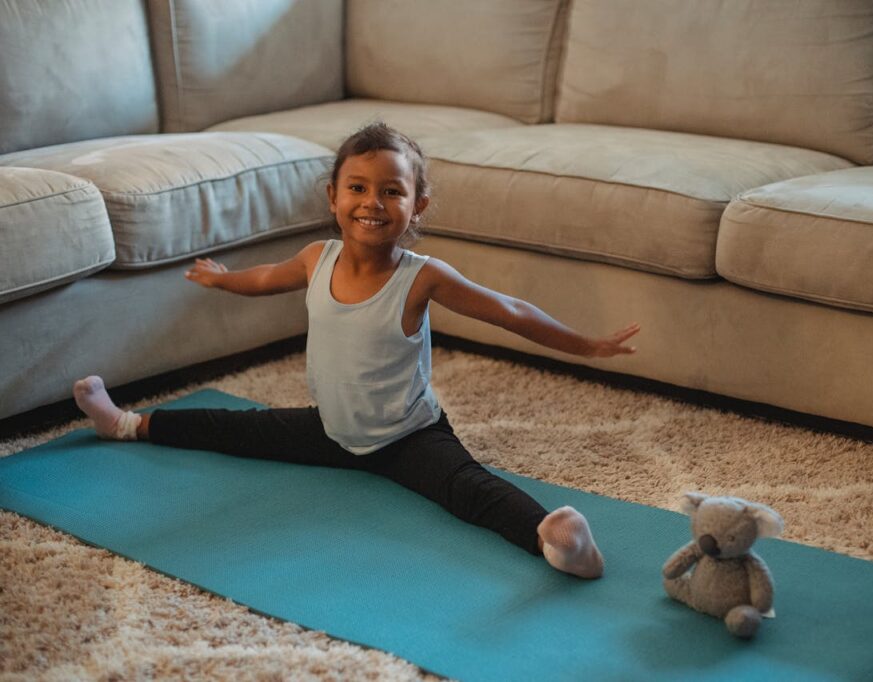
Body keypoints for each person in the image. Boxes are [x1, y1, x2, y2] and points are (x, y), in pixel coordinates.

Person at [73, 122, 640, 579]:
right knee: (234, 427)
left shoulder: (423, 277)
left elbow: (511, 311)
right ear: (334, 196)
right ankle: (125, 425)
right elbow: (269, 277)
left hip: (407, 436)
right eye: (359, 188)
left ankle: (559, 543)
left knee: (469, 490)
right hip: (331, 428)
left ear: (417, 205)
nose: (373, 202)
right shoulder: (316, 257)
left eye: (393, 190)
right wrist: (225, 280)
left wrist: (586, 345)